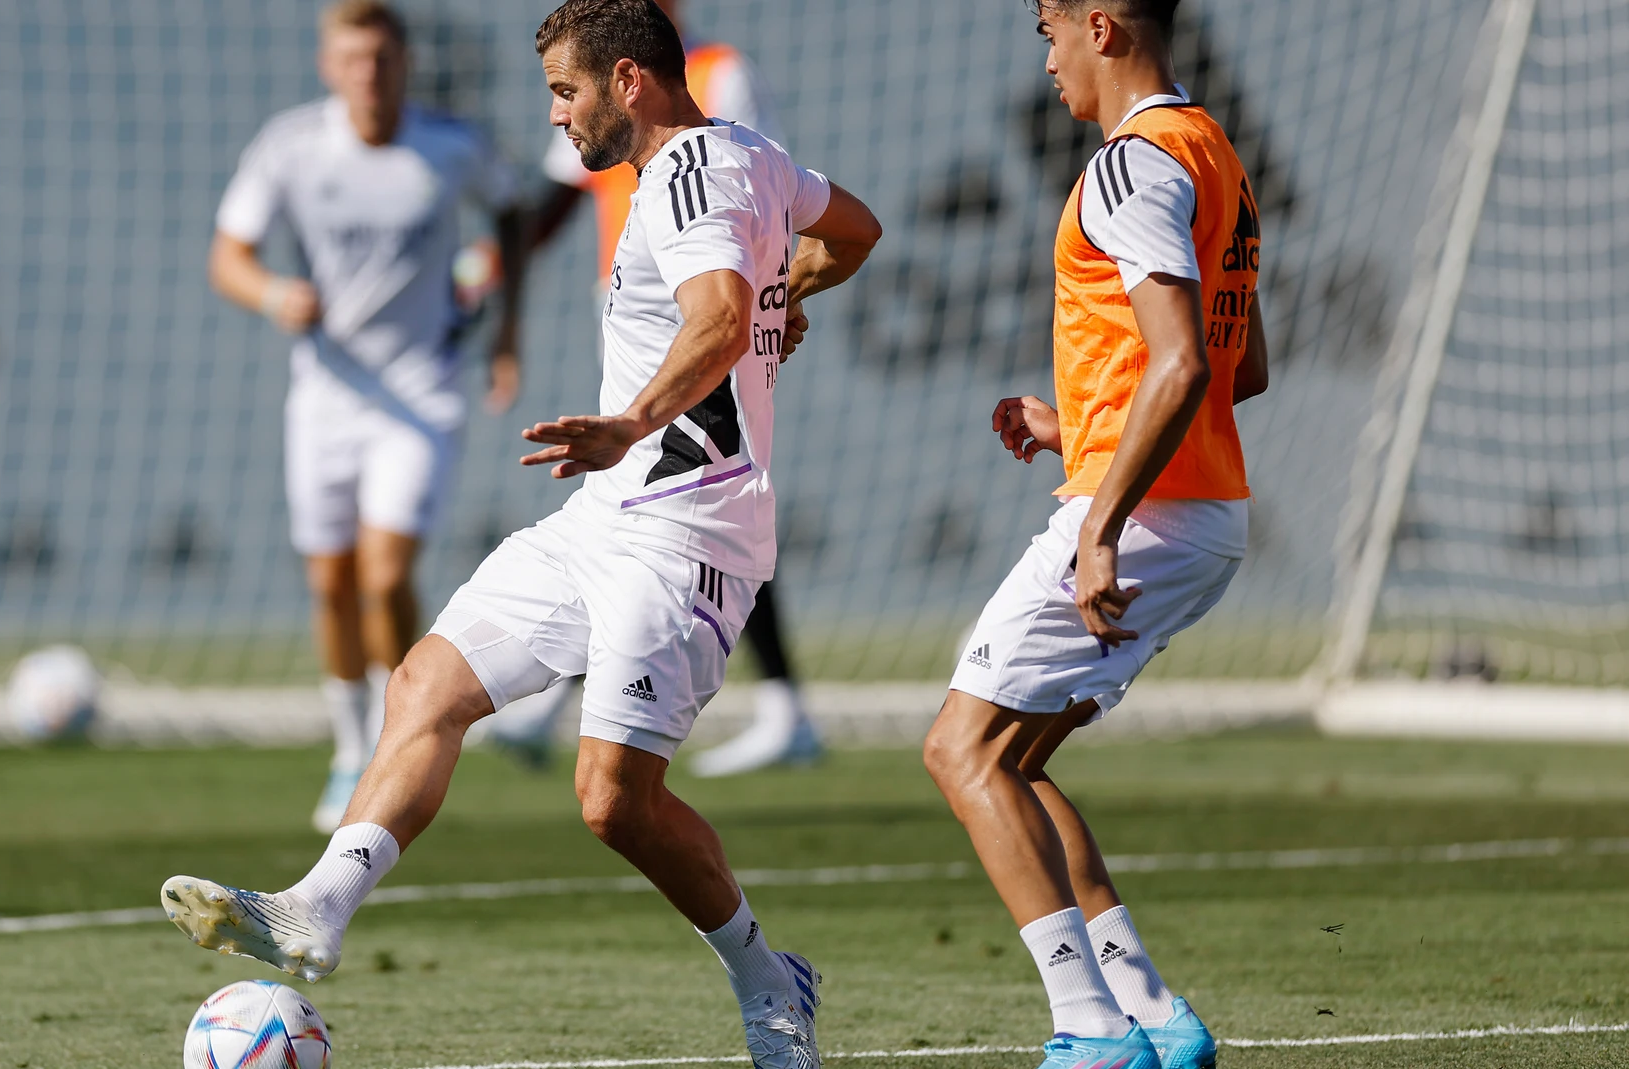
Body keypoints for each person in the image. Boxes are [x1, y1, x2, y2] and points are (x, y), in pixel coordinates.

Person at [159, 4, 880, 1066]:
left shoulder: (684, 176)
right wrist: (793, 283)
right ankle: (317, 906)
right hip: (605, 516)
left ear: (628, 81)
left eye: (564, 92)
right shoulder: (751, 156)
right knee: (426, 684)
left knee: (613, 802)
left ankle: (774, 985)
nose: (555, 116)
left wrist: (641, 411)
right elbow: (854, 229)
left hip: (688, 536)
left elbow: (723, 318)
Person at [921, 2, 1267, 1068]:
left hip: (1143, 518)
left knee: (959, 749)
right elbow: (1240, 370)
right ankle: (1155, 1014)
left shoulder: (1126, 167)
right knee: (1013, 760)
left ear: (1103, 27)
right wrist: (1074, 428)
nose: (1048, 55)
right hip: (1198, 511)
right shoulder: (1213, 154)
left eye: (1047, 29)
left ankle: (1090, 1032)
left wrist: (1101, 523)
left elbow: (1186, 367)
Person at [208, 0, 529, 833]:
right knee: (330, 580)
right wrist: (275, 292)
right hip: (326, 395)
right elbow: (229, 256)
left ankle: (402, 733)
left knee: (385, 574)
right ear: (329, 66)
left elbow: (516, 213)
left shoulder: (449, 147)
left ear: (405, 63)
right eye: (354, 60)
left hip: (421, 393)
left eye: (383, 59)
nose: (369, 74)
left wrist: (507, 330)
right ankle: (352, 746)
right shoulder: (290, 147)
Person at [489, 0, 821, 779]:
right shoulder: (595, 85)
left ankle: (780, 704)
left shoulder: (712, 76)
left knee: (693, 495)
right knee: (645, 502)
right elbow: (555, 204)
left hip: (698, 304)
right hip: (634, 307)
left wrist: (780, 289)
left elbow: (753, 189)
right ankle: (568, 694)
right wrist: (483, 272)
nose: (557, 111)